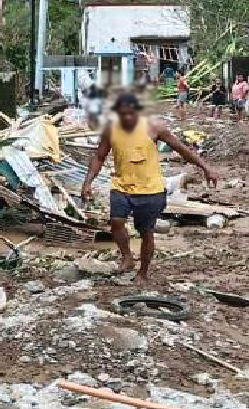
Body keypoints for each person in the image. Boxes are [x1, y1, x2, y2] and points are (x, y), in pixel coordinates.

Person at [81, 93, 219, 285]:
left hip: (150, 189)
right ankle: (127, 257)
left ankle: (143, 273)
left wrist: (205, 167)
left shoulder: (155, 127)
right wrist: (87, 182)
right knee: (116, 221)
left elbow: (181, 149)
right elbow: (99, 157)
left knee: (146, 231)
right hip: (122, 185)